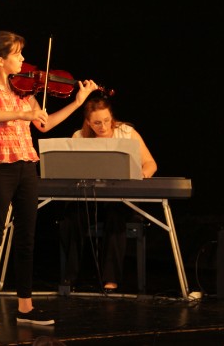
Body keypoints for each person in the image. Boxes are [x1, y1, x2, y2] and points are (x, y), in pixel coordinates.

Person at [0, 30, 99, 330]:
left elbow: (45, 123)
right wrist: (19, 115)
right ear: (0, 60)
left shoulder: (25, 91)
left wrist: (78, 102)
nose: (23, 59)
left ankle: (25, 307)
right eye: (17, 54)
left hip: (27, 165)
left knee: (26, 237)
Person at [60, 94, 157, 292]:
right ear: (88, 122)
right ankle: (70, 277)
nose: (103, 127)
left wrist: (143, 173)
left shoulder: (126, 133)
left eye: (106, 120)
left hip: (120, 198)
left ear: (111, 116)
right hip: (90, 197)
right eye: (97, 123)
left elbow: (150, 163)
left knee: (116, 216)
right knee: (72, 218)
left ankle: (111, 279)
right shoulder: (79, 137)